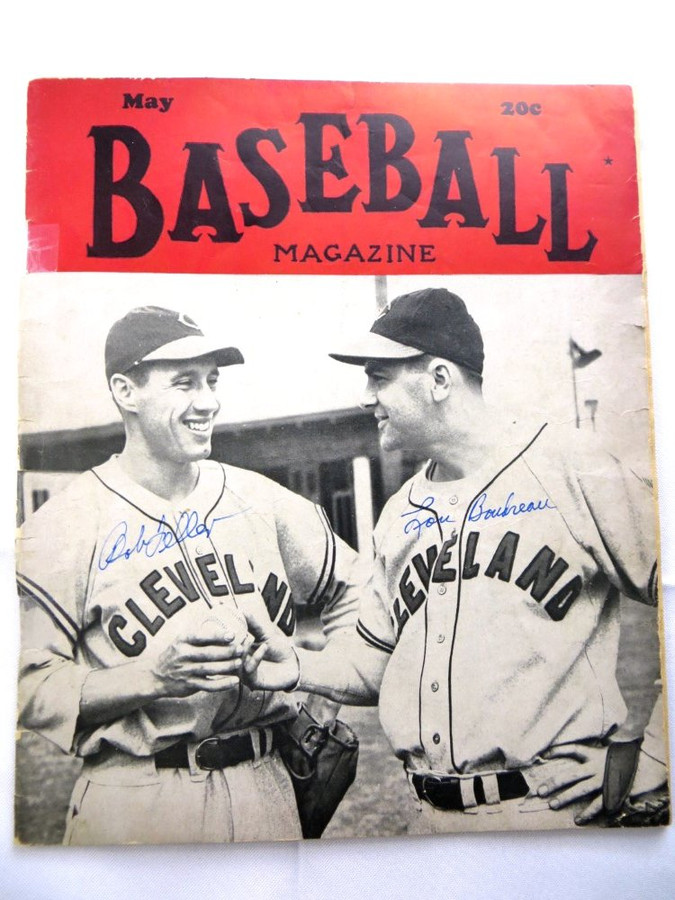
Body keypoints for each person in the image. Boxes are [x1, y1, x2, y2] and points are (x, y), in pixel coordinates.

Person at [242, 286, 668, 833]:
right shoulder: (400, 514)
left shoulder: (570, 466)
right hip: (432, 819)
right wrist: (299, 665)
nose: (365, 397)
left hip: (553, 812)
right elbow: (375, 664)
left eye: (379, 377)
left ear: (440, 379)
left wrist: (654, 759)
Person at [16, 305, 362, 845]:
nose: (208, 402)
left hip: (265, 786)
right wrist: (153, 678)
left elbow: (359, 594)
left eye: (212, 381)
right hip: (136, 797)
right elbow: (22, 682)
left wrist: (314, 682)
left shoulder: (261, 500)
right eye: (184, 383)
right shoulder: (66, 522)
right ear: (125, 391)